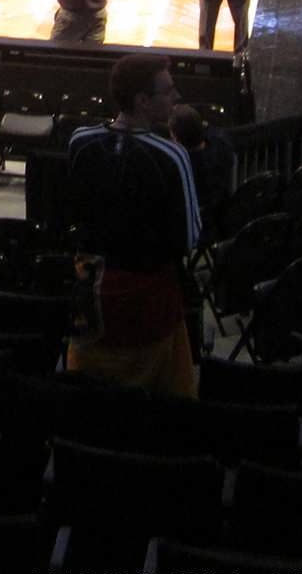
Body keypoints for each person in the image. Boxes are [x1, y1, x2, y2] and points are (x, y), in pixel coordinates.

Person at [63, 54, 201, 397]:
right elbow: (189, 238)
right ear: (142, 101)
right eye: (168, 91)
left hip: (88, 295)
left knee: (87, 398)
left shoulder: (79, 141)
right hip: (148, 302)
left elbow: (70, 213)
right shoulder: (172, 155)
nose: (176, 97)